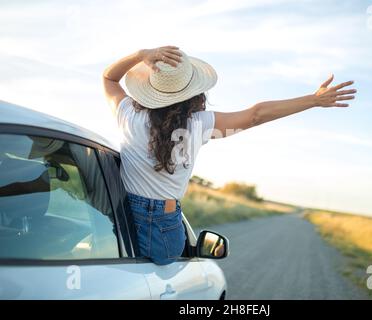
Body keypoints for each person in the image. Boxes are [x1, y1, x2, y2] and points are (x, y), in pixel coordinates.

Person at [102, 45, 356, 265]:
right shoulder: (199, 124)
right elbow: (255, 115)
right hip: (163, 225)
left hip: (117, 211)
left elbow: (109, 78)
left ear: (150, 87)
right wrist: (313, 100)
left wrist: (141, 54)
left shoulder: (127, 114)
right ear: (193, 93)